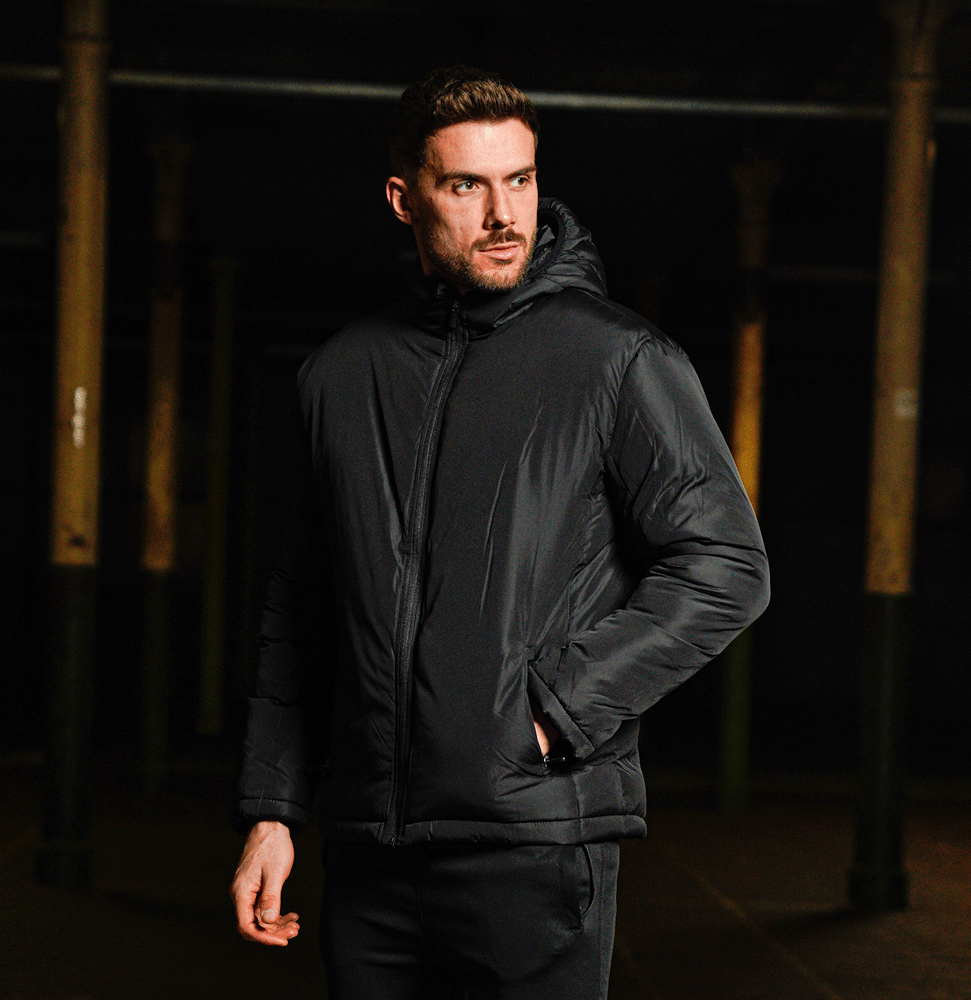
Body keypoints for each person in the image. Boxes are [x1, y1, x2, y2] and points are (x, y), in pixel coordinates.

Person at [230, 65, 769, 1000]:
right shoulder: (339, 375)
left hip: (533, 845)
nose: (502, 214)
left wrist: (556, 712)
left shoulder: (616, 358)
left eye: (519, 180)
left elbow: (726, 564)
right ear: (404, 199)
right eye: (466, 185)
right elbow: (301, 607)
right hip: (370, 853)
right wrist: (273, 810)